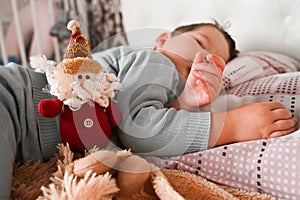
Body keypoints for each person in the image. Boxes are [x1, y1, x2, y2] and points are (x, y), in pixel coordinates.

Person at [0, 20, 297, 199]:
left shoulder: (164, 85)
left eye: (214, 60)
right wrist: (232, 125)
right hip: (12, 101)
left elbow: (138, 114)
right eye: (198, 43)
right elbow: (139, 129)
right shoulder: (158, 60)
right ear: (163, 40)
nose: (201, 58)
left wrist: (186, 103)